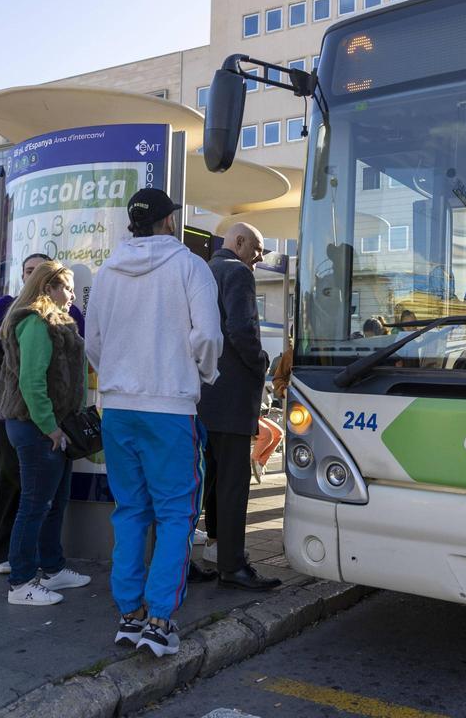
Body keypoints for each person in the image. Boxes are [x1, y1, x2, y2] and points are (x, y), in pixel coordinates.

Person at [85, 188, 222, 658]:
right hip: (169, 407)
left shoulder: (107, 271)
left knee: (129, 510)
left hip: (118, 407)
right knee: (176, 514)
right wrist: (202, 374)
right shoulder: (190, 266)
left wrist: (117, 377)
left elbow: (93, 340)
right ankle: (160, 620)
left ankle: (130, 614)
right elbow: (208, 335)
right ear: (168, 221)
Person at [0, 253, 84, 576]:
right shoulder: (35, 321)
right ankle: (21, 578)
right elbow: (32, 381)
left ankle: (52, 568)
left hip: (52, 423)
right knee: (33, 503)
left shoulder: (59, 317)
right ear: (48, 287)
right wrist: (50, 426)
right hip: (33, 423)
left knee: (52, 502)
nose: (73, 295)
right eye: (67, 288)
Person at [197, 223, 282, 592]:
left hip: (203, 395)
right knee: (233, 483)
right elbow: (241, 330)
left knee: (209, 479)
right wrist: (261, 362)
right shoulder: (238, 273)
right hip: (232, 396)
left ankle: (211, 547)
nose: (259, 257)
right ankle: (232, 565)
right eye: (258, 249)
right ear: (240, 242)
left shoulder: (204, 271)